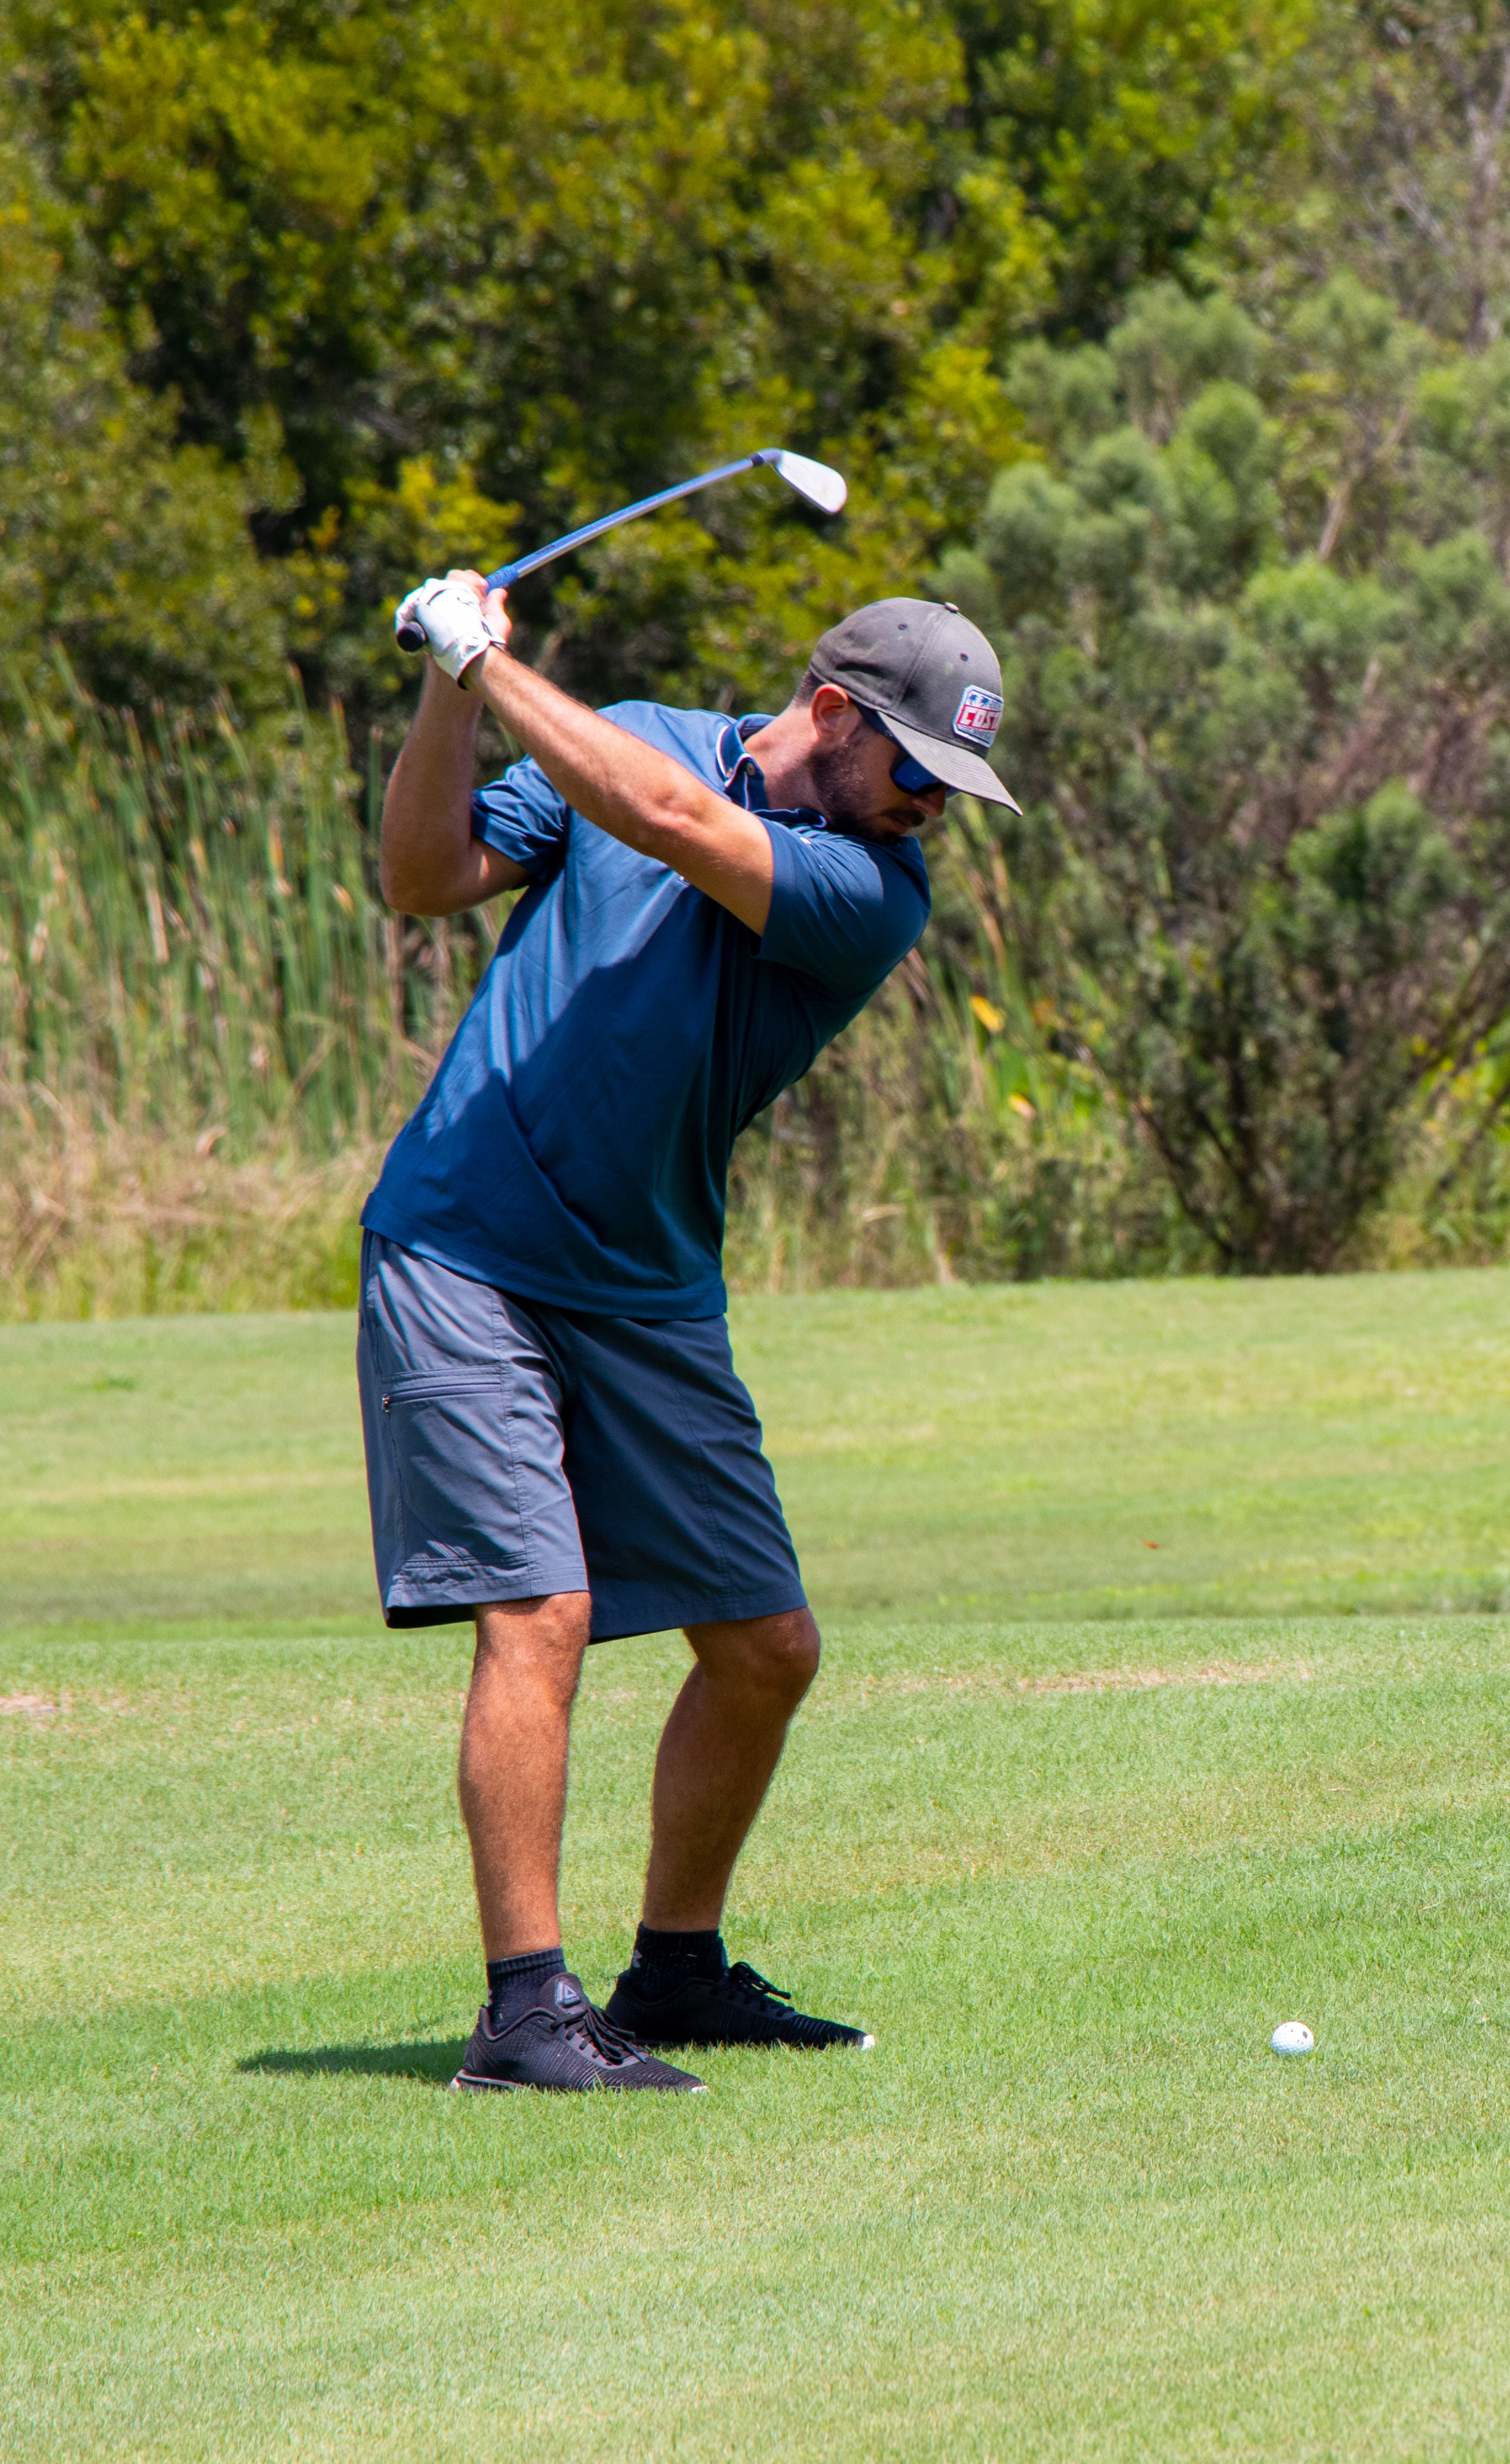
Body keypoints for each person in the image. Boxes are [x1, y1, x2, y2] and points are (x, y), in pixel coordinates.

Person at [371, 570, 1016, 2092]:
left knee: (766, 1647)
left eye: (956, 788)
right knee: (541, 1610)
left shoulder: (873, 891)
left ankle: (673, 1971)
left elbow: (670, 818)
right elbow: (426, 875)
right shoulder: (637, 736)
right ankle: (527, 2011)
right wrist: (447, 691)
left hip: (647, 1282)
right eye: (919, 769)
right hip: (464, 1241)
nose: (933, 807)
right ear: (838, 714)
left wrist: (492, 661)